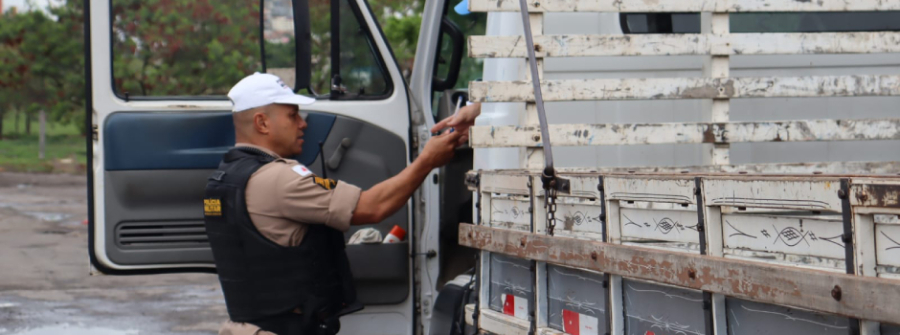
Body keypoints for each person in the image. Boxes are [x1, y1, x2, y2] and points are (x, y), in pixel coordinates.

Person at [204, 73, 462, 335]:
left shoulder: (225, 177)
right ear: (262, 123)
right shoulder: (279, 179)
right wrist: (428, 160)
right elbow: (373, 207)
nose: (302, 124)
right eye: (292, 115)